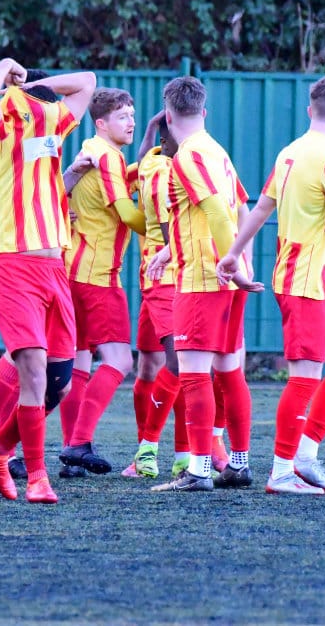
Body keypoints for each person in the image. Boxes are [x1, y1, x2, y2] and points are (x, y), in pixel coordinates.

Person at [218, 74, 325, 495]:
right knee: (304, 377)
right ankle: (281, 471)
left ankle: (304, 455)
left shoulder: (289, 153)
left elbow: (261, 208)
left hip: (313, 281)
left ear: (309, 110)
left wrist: (233, 252)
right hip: (307, 282)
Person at [0, 57, 96, 503]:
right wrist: (7, 68)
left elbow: (87, 82)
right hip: (7, 261)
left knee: (59, 382)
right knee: (33, 367)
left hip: (53, 267)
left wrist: (33, 87)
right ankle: (37, 477)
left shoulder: (50, 125)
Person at [149, 77, 262, 493]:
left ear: (168, 115)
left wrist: (230, 263)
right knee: (229, 372)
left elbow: (215, 211)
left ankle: (197, 471)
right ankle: (238, 464)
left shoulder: (187, 156)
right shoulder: (217, 150)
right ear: (204, 111)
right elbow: (241, 207)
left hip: (204, 278)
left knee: (195, 375)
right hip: (225, 278)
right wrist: (241, 261)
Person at [57, 88, 145, 475]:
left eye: (132, 115)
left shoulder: (92, 151)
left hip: (72, 272)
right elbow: (127, 214)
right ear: (101, 123)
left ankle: (71, 452)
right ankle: (78, 443)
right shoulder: (107, 156)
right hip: (97, 276)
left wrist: (145, 165)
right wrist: (171, 231)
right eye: (123, 116)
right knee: (120, 360)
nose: (130, 121)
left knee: (77, 363)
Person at [122, 112, 189, 479]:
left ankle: (173, 454)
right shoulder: (165, 171)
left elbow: (143, 156)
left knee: (153, 365)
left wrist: (150, 128)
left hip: (153, 279)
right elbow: (169, 232)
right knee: (177, 364)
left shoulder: (152, 162)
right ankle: (150, 451)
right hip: (167, 277)